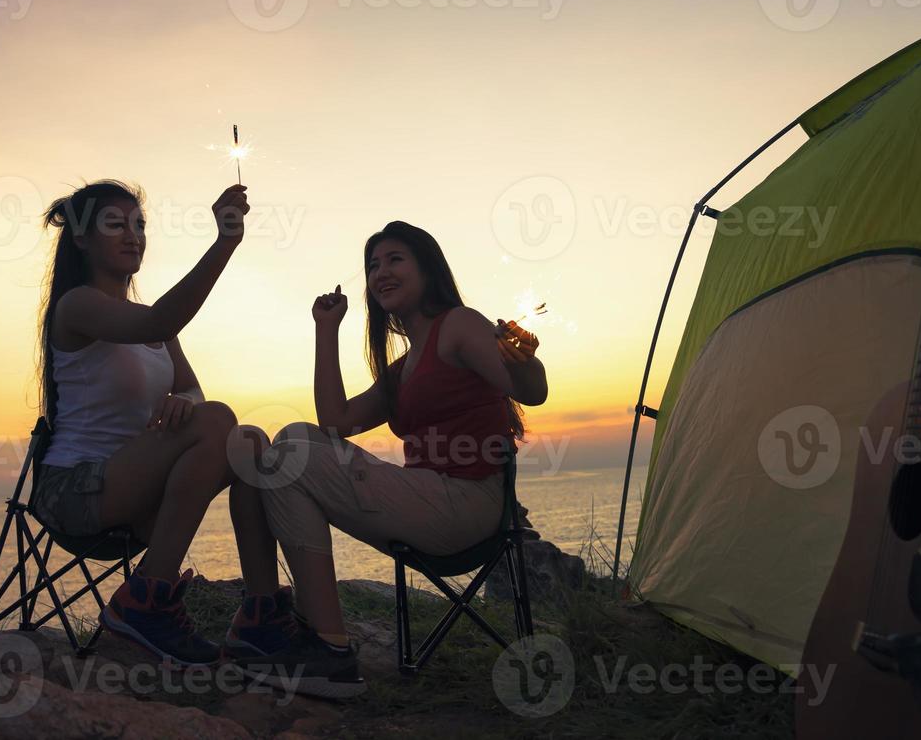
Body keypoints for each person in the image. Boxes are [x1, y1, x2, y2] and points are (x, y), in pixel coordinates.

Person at [243, 221, 546, 698]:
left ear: (427, 268)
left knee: (292, 455)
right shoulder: (403, 367)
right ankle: (310, 631)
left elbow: (532, 392)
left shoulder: (459, 325)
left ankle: (328, 650)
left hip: (465, 505)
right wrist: (326, 330)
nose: (380, 271)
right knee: (293, 439)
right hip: (433, 501)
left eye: (394, 259)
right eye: (372, 265)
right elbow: (336, 422)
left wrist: (522, 357)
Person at [31, 179, 297, 667]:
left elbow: (191, 388)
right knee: (219, 420)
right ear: (83, 240)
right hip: (76, 490)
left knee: (251, 445)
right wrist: (224, 243)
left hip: (139, 492)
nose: (133, 235)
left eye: (139, 224)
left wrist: (183, 401)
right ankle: (147, 599)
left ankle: (261, 617)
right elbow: (158, 325)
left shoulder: (149, 319)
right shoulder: (78, 305)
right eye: (116, 224)